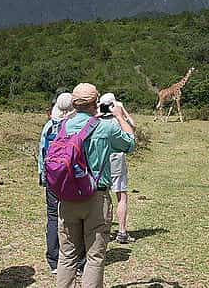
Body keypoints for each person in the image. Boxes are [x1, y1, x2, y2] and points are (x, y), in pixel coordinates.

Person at [57, 83, 135, 288]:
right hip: (96, 197)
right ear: (96, 102)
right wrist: (119, 116)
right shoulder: (106, 126)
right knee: (95, 256)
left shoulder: (63, 125)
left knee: (67, 256)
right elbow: (129, 143)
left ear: (74, 103)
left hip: (67, 196)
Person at [38, 93, 86, 275]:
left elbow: (42, 155)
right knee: (77, 219)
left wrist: (43, 177)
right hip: (73, 180)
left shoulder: (49, 127)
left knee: (52, 217)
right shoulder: (77, 126)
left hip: (53, 179)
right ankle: (79, 262)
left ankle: (54, 260)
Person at [98, 93, 137, 244]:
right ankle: (122, 231)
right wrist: (122, 112)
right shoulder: (117, 121)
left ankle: (102, 231)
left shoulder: (97, 120)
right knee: (121, 195)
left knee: (102, 195)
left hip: (101, 162)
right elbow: (132, 127)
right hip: (117, 161)